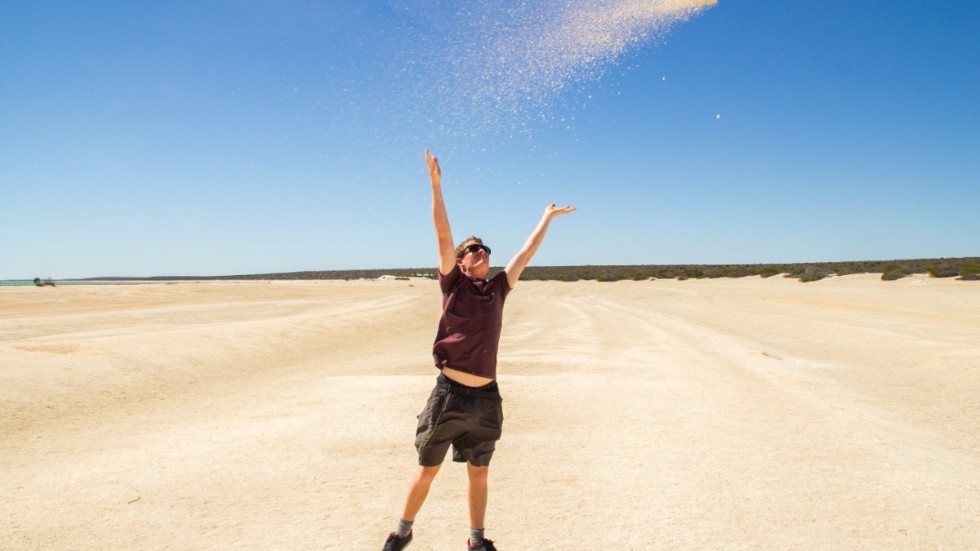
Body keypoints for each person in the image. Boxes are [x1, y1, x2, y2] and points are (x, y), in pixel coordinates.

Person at [382, 150, 575, 551]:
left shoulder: (498, 288)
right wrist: (436, 186)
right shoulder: (453, 284)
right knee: (427, 470)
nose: (481, 250)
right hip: (449, 395)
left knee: (479, 473)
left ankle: (475, 541)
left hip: (487, 398)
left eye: (484, 247)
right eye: (472, 249)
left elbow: (526, 253)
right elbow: (442, 234)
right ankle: (402, 532)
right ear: (460, 262)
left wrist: (547, 217)